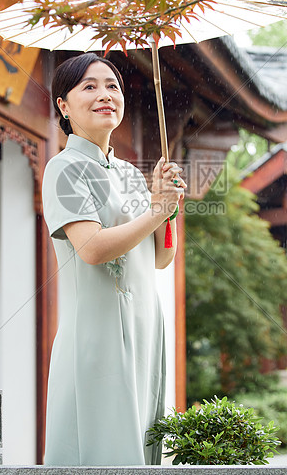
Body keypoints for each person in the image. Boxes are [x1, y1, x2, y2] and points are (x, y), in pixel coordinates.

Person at [40, 53, 186, 466]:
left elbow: (160, 256)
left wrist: (168, 206)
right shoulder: (63, 169)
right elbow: (91, 249)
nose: (106, 95)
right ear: (63, 106)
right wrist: (155, 211)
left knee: (139, 443)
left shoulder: (129, 173)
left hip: (144, 329)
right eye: (89, 86)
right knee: (102, 449)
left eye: (113, 86)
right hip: (98, 332)